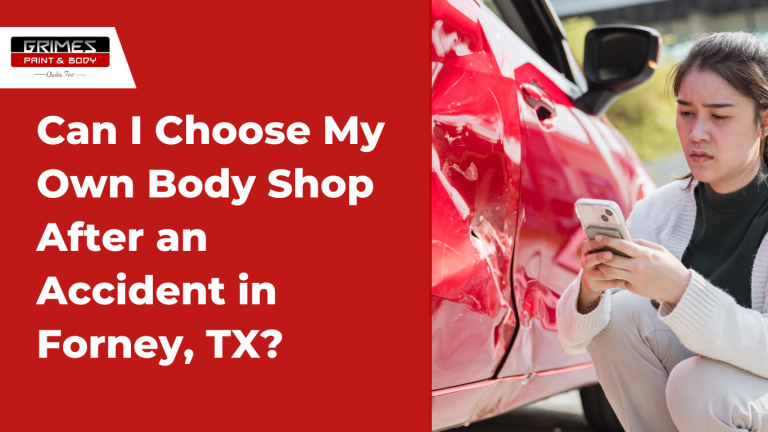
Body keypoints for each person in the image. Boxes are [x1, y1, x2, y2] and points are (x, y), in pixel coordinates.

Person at [556, 32, 768, 432]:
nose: (696, 133)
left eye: (719, 116)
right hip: (711, 391)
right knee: (615, 319)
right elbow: (572, 338)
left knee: (698, 386)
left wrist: (681, 291)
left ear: (765, 121)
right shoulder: (661, 208)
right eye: (686, 112)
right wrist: (590, 289)